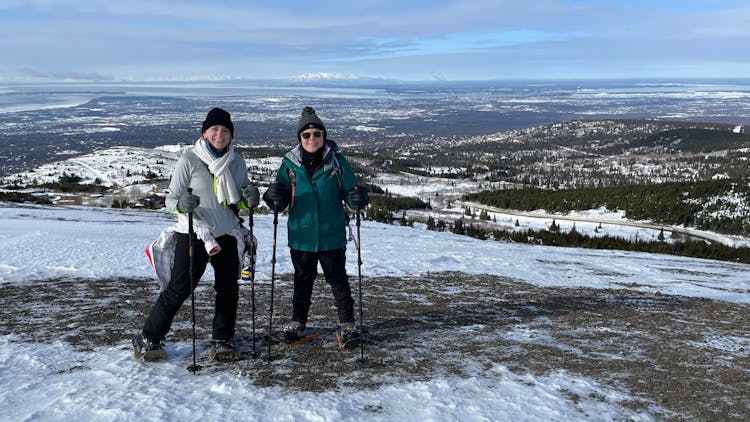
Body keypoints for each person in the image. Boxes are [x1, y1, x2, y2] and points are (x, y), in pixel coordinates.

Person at [134, 107, 260, 362]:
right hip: (194, 233)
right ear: (204, 132)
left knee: (228, 289)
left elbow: (240, 202)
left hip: (226, 233)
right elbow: (170, 200)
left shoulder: (237, 162)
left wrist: (250, 199)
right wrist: (182, 204)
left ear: (230, 135)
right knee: (180, 287)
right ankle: (148, 337)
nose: (219, 134)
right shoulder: (189, 159)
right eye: (214, 129)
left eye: (225, 130)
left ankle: (222, 339)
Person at [263, 106, 369, 346]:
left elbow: (350, 194)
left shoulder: (338, 162)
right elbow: (278, 202)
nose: (312, 138)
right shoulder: (289, 165)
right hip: (301, 235)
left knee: (338, 280)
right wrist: (272, 197)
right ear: (300, 138)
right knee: (302, 280)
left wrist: (358, 199)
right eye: (306, 135)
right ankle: (297, 324)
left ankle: (348, 326)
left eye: (317, 133)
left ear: (324, 135)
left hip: (331, 235)